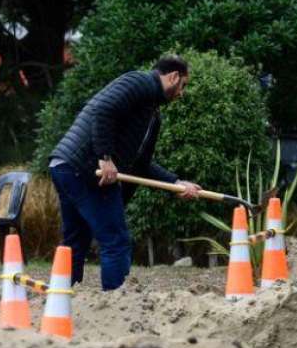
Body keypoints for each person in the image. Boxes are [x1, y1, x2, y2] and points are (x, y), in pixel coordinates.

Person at [48, 55, 201, 290]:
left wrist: (177, 182)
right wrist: (105, 157)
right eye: (184, 85)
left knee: (76, 242)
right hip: (86, 170)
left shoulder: (151, 114)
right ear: (173, 77)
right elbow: (103, 110)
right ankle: (118, 305)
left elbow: (141, 164)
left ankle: (61, 299)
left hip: (67, 167)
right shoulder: (139, 82)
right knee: (116, 240)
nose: (182, 93)